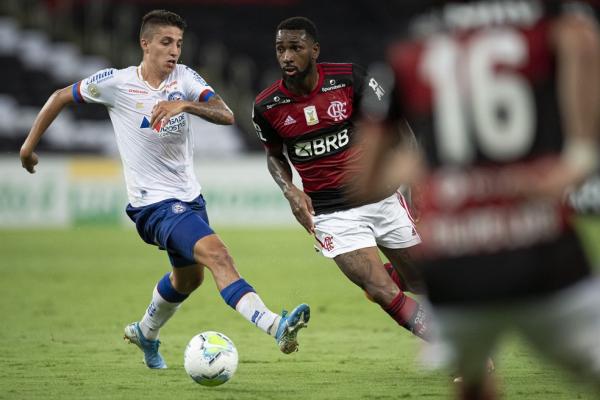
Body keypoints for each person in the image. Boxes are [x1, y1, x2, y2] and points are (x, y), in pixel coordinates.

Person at [19, 9, 310, 370]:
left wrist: (185, 104)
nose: (174, 51)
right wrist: (28, 147)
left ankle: (145, 332)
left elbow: (226, 114)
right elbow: (60, 96)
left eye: (179, 44)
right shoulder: (117, 83)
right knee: (218, 255)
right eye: (166, 42)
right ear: (145, 43)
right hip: (152, 206)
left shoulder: (184, 78)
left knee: (189, 278)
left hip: (190, 198)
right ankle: (276, 325)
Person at [351, 1, 600, 398]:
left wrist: (426, 169)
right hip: (538, 246)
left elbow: (366, 180)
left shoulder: (409, 46)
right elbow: (581, 39)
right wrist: (581, 156)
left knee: (472, 379)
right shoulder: (540, 20)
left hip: (455, 262)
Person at [252, 16, 430, 341]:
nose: (287, 57)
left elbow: (394, 126)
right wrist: (288, 188)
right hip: (331, 214)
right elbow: (274, 154)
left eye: (295, 48)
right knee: (380, 289)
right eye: (281, 49)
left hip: (380, 198)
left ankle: (392, 272)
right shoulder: (267, 105)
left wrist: (413, 175)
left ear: (314, 50)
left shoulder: (347, 79)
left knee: (422, 280)